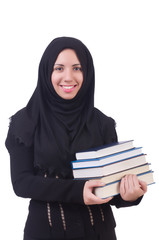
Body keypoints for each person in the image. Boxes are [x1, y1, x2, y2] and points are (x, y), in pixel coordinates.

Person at [5, 37, 147, 240]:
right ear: (47, 72)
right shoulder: (25, 122)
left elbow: (111, 186)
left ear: (87, 73)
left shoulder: (103, 123)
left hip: (99, 233)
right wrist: (77, 191)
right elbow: (21, 183)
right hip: (45, 233)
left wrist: (128, 196)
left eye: (77, 68)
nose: (69, 77)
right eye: (59, 68)